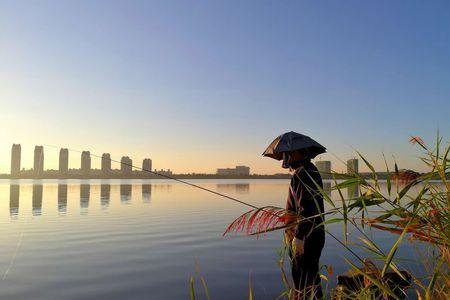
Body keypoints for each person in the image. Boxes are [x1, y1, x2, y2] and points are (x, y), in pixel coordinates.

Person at [283, 149, 325, 299]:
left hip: (305, 237)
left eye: (288, 154)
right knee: (312, 279)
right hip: (316, 234)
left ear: (299, 153)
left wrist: (299, 237)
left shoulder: (302, 174)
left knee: (302, 282)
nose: (285, 158)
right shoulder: (311, 171)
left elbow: (306, 209)